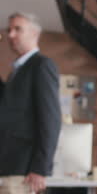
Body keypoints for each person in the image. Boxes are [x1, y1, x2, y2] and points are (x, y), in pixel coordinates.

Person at [0, 12, 62, 194]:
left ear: (35, 34)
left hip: (25, 171)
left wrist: (40, 168)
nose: (10, 35)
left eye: (17, 29)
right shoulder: (17, 71)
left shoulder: (41, 66)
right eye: (9, 29)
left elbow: (51, 119)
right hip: (9, 166)